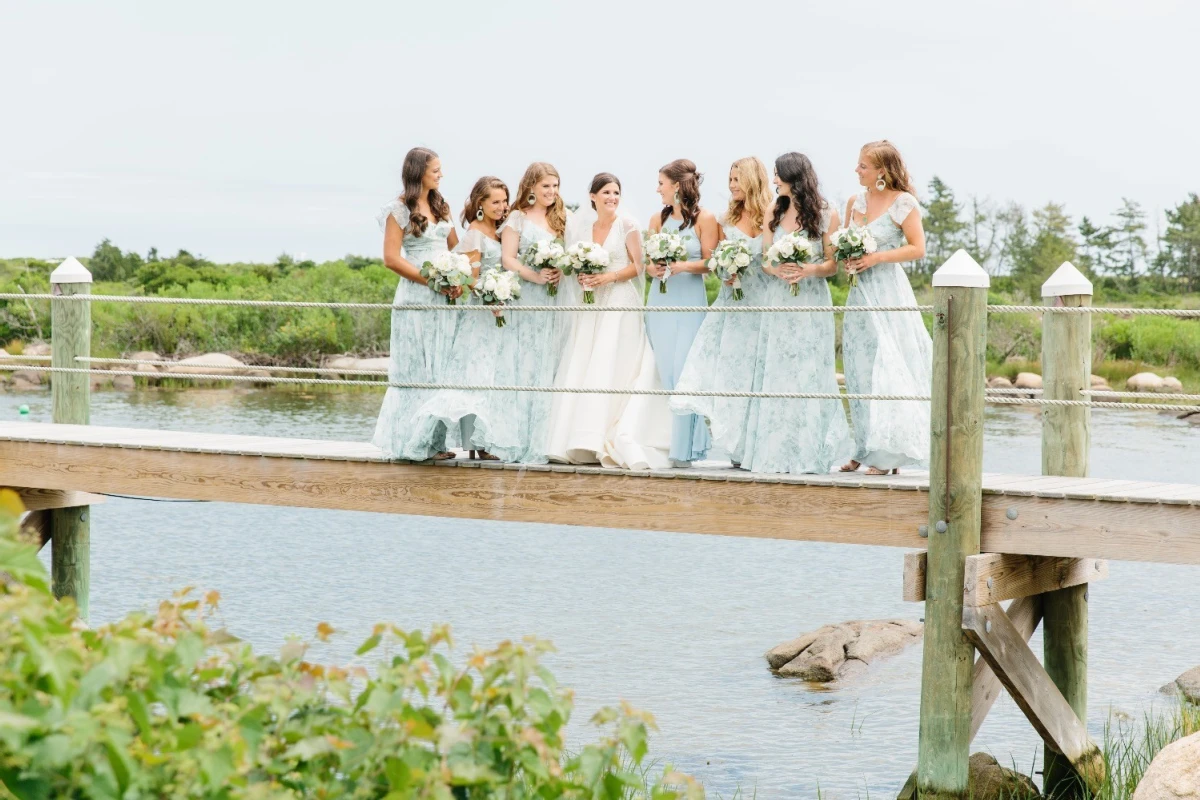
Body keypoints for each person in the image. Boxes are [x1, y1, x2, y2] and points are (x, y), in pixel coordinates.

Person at [544, 172, 670, 469]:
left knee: (611, 361)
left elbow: (638, 267)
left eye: (616, 193)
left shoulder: (627, 225)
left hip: (620, 300)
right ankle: (579, 439)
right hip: (592, 302)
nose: (612, 198)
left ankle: (608, 435)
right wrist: (583, 275)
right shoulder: (583, 227)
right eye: (606, 194)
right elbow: (573, 263)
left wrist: (608, 277)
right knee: (586, 361)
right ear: (593, 197)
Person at [744, 152, 849, 473]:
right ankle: (773, 451)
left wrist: (808, 269)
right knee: (777, 370)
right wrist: (777, 271)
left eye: (777, 174)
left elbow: (833, 265)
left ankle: (811, 453)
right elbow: (764, 260)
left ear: (793, 176)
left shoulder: (826, 213)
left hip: (812, 302)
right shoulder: (772, 211)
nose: (773, 180)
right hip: (778, 301)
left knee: (810, 372)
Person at [670, 157, 773, 466]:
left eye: (737, 179)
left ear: (753, 180)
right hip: (734, 303)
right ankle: (737, 446)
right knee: (733, 373)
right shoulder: (726, 219)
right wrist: (725, 271)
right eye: (730, 179)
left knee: (761, 374)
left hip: (765, 302)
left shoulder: (772, 214)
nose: (731, 185)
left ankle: (760, 444)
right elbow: (715, 261)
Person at [839, 140, 933, 475]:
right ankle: (862, 447)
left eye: (863, 165)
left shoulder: (903, 202)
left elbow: (917, 248)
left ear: (881, 170)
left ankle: (887, 454)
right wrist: (848, 259)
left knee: (887, 370)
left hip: (888, 293)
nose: (857, 170)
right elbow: (845, 242)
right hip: (859, 295)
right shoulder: (855, 202)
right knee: (860, 369)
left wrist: (876, 257)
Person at [412, 176, 514, 460]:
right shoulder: (474, 234)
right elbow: (471, 280)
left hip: (498, 315)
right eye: (495, 201)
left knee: (491, 377)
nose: (502, 206)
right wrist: (493, 296)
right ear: (480, 203)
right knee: (473, 378)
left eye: (504, 201)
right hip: (479, 317)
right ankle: (465, 443)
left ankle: (481, 442)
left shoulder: (498, 231)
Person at [372, 146, 461, 461]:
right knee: (416, 366)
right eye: (436, 169)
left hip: (445, 297)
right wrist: (432, 280)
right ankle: (410, 441)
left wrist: (457, 278)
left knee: (441, 366)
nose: (441, 174)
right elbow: (392, 259)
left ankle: (434, 441)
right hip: (417, 295)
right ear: (418, 172)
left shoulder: (441, 205)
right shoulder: (399, 209)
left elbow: (456, 248)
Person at [644, 159, 718, 465]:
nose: (657, 189)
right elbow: (647, 267)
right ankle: (661, 442)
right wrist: (657, 267)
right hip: (659, 301)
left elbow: (710, 264)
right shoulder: (656, 220)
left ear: (676, 186)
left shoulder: (706, 218)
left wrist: (680, 266)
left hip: (689, 299)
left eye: (661, 183)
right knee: (663, 371)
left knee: (685, 371)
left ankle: (685, 449)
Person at [493, 162, 568, 463]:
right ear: (532, 186)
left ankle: (548, 439)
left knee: (552, 361)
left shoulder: (561, 217)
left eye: (556, 186)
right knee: (525, 362)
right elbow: (508, 259)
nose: (552, 192)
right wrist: (535, 276)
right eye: (546, 186)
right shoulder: (518, 218)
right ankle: (520, 439)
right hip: (528, 298)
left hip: (555, 299)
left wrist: (561, 270)